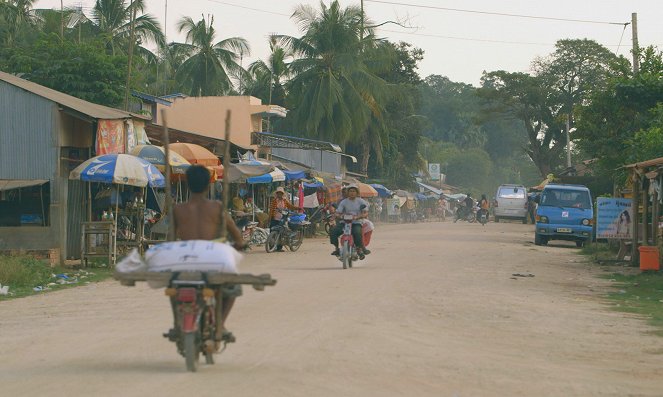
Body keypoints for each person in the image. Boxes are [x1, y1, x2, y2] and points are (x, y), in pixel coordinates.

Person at [171, 165, 246, 344]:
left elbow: (171, 240)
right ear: (208, 186)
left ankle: (177, 322)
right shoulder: (217, 207)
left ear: (187, 185)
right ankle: (220, 325)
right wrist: (240, 244)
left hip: (186, 262)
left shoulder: (178, 209)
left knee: (174, 289)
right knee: (232, 288)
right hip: (211, 262)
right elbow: (236, 234)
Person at [330, 184, 370, 258]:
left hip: (356, 222)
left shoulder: (361, 201)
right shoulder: (344, 202)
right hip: (344, 222)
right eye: (350, 191)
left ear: (357, 192)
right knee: (333, 231)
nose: (352, 193)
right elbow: (338, 211)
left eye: (354, 191)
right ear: (347, 192)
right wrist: (338, 215)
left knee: (357, 232)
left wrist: (360, 216)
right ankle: (336, 248)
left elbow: (365, 212)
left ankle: (359, 249)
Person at [268, 186, 298, 252]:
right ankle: (271, 246)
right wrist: (269, 219)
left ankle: (279, 247)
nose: (279, 194)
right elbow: (271, 210)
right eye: (278, 193)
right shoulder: (274, 201)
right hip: (274, 219)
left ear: (282, 194)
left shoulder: (284, 201)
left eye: (280, 193)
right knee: (272, 231)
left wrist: (297, 208)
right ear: (277, 194)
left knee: (281, 233)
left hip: (282, 219)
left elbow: (290, 206)